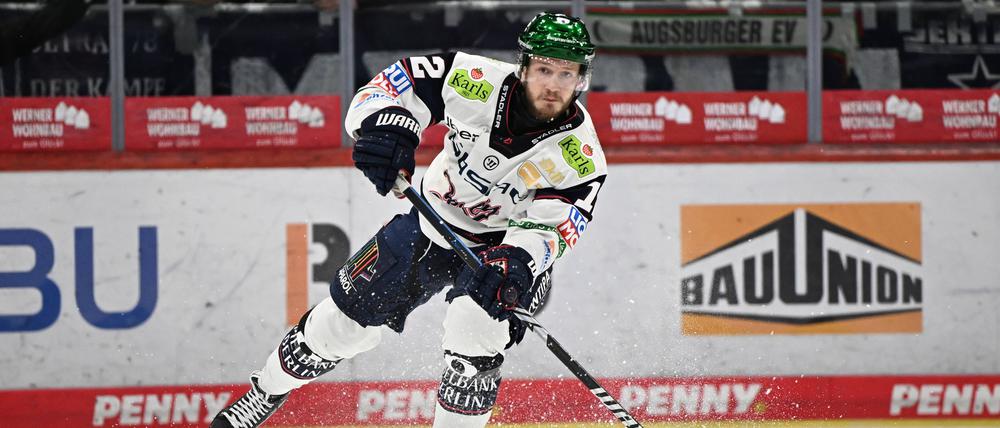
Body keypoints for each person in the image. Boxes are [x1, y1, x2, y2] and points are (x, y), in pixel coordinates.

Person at [211, 12, 606, 428]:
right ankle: (264, 393)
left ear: (581, 79)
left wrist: (518, 262)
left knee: (473, 335)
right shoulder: (473, 78)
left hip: (502, 254)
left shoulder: (581, 155)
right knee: (338, 325)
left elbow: (556, 227)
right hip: (432, 224)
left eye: (567, 73)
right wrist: (387, 128)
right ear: (524, 65)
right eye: (544, 69)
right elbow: (389, 87)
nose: (553, 84)